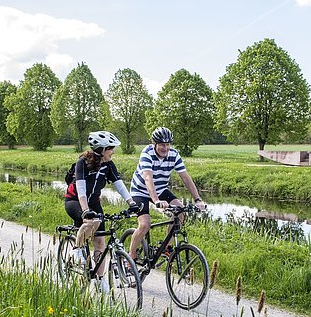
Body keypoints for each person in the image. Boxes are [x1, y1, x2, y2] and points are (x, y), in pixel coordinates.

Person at [64, 131, 139, 294]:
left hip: (94, 203)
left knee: (100, 242)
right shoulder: (82, 163)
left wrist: (132, 203)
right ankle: (77, 250)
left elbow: (119, 185)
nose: (113, 151)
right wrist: (85, 212)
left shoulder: (109, 165)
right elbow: (81, 189)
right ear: (102, 149)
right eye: (111, 148)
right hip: (75, 201)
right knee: (92, 222)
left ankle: (99, 279)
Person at [128, 126, 205, 261]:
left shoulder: (174, 154)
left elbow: (186, 177)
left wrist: (197, 199)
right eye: (162, 145)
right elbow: (148, 178)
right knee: (145, 224)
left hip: (161, 188)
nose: (165, 148)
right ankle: (131, 255)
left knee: (180, 211)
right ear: (154, 144)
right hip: (140, 190)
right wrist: (156, 200)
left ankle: (165, 247)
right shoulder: (147, 153)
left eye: (168, 145)